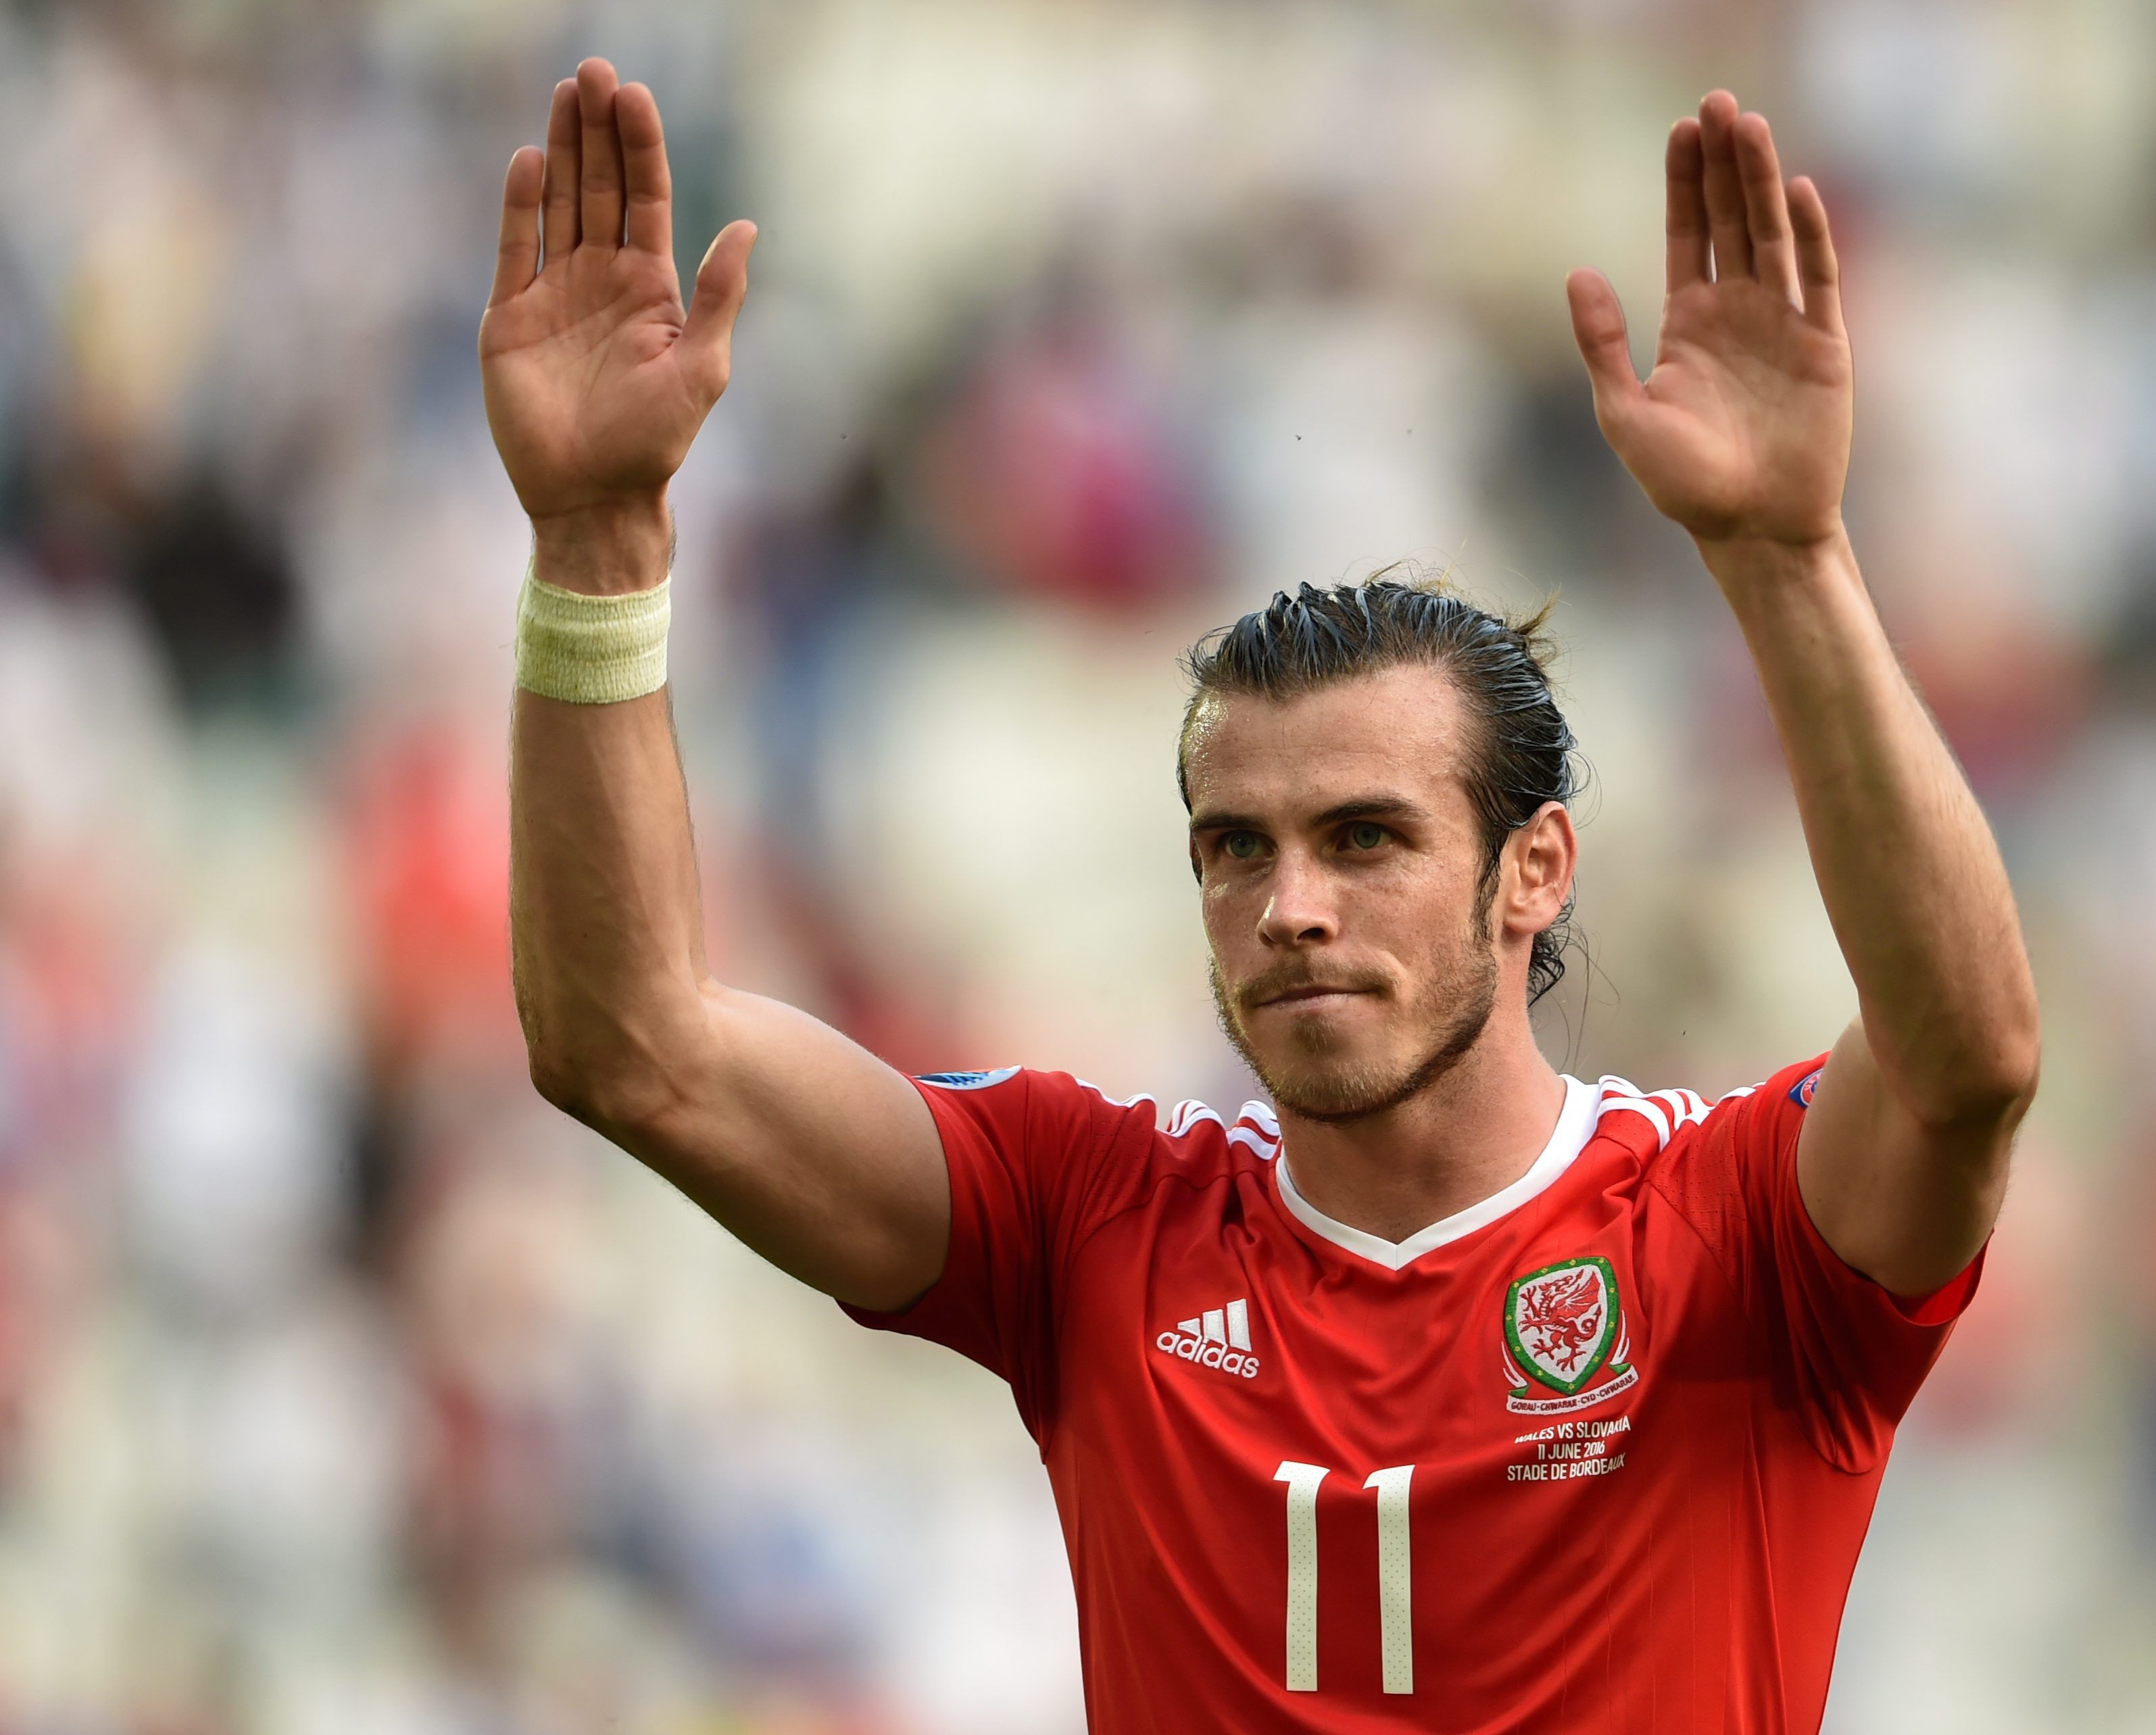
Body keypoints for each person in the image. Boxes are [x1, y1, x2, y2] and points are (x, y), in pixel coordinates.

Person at [487, 57, 2039, 1733]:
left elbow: (1962, 1063)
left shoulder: (1724, 1237)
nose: (1290, 905)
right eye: (1236, 847)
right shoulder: (1090, 1225)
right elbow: (630, 1047)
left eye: (1365, 839)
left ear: (1533, 870)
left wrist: (1787, 560)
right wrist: (596, 547)